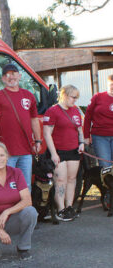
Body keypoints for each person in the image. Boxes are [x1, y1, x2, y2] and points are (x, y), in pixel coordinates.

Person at [0, 63, 42, 188]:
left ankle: (26, 208)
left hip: (26, 151)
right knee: (7, 186)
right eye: (7, 75)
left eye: (13, 74)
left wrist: (38, 140)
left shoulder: (29, 96)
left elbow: (34, 120)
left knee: (25, 185)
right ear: (3, 79)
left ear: (19, 76)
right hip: (7, 153)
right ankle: (10, 208)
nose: (10, 77)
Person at [43, 85, 84, 222]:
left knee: (72, 179)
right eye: (73, 97)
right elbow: (47, 134)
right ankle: (60, 209)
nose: (75, 100)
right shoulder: (53, 111)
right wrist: (54, 154)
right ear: (64, 95)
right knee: (61, 180)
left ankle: (69, 207)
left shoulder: (76, 110)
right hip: (59, 151)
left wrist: (81, 142)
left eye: (76, 98)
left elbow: (79, 129)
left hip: (73, 150)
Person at [83, 74, 113, 167]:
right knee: (105, 165)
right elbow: (87, 116)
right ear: (107, 84)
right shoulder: (97, 97)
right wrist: (86, 135)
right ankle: (107, 182)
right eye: (111, 84)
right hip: (100, 137)